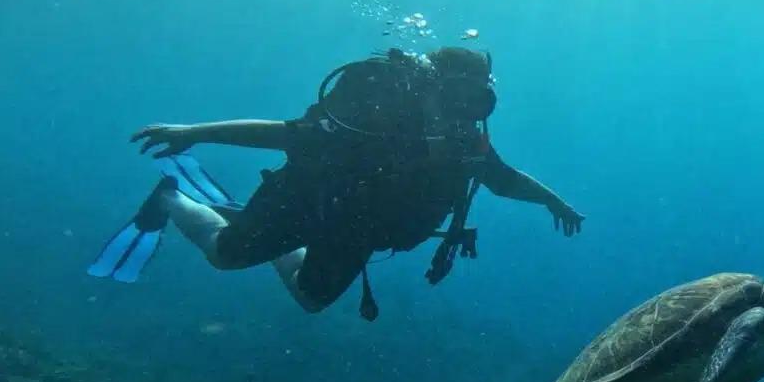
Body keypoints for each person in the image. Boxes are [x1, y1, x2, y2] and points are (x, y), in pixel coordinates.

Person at [87, 46, 583, 318]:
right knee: (223, 257)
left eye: (476, 100)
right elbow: (284, 136)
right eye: (456, 95)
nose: (464, 111)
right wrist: (196, 132)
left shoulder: (465, 139)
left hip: (357, 232)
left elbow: (502, 179)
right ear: (431, 85)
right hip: (306, 201)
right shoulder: (372, 114)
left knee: (312, 301)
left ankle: (267, 236)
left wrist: (553, 200)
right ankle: (171, 197)